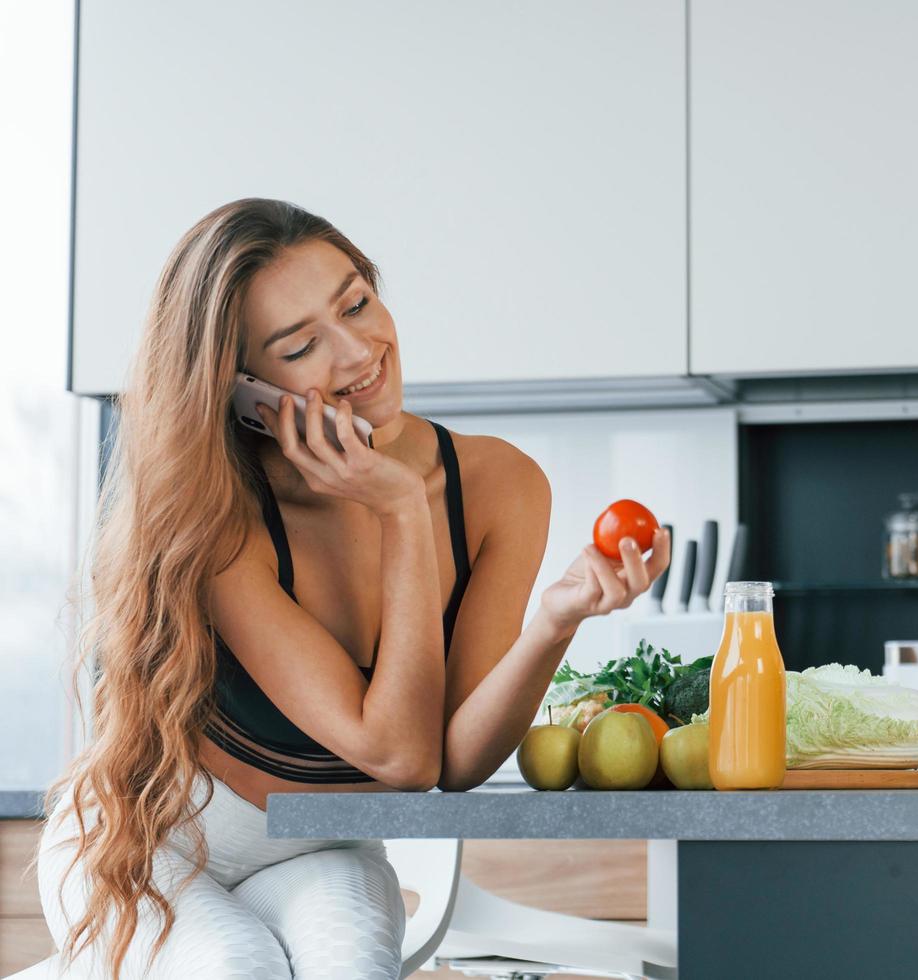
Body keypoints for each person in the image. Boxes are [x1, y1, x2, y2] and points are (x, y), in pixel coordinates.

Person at [33, 197, 670, 979]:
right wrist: (400, 504)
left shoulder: (501, 485)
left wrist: (554, 622)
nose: (358, 352)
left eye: (357, 303)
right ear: (244, 389)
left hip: (318, 850)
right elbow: (396, 756)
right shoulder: (219, 519)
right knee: (236, 967)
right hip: (151, 843)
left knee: (356, 967)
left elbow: (448, 762)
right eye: (301, 346)